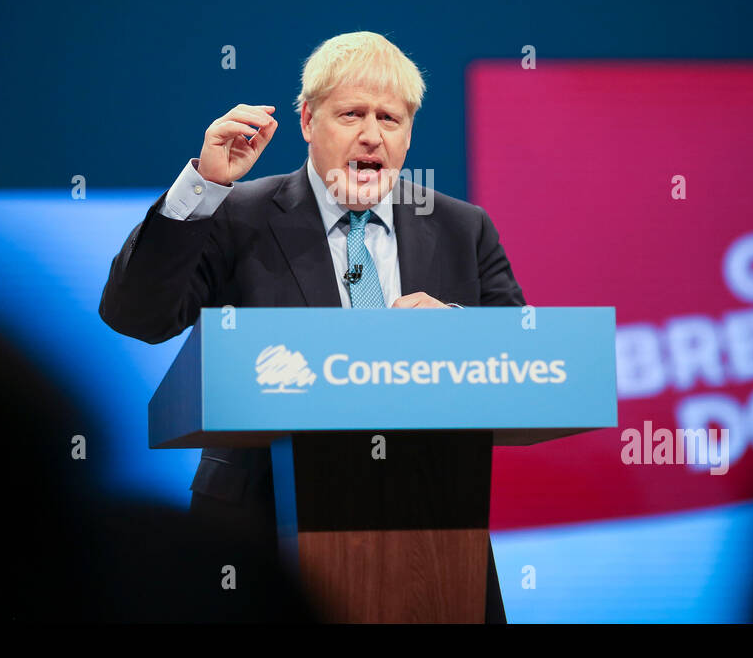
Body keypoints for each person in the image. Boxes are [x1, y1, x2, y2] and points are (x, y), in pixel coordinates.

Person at [99, 31, 526, 622]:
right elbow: (136, 316)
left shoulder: (462, 227)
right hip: (256, 529)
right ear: (306, 119)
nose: (372, 135)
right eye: (351, 113)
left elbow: (522, 359)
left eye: (391, 119)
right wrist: (203, 186)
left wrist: (456, 327)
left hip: (432, 534)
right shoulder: (236, 215)